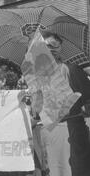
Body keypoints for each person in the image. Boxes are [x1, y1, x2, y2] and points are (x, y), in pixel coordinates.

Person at [42, 31, 90, 176]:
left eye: (53, 45)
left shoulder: (71, 70)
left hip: (71, 129)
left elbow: (88, 99)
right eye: (44, 46)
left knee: (75, 170)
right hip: (49, 131)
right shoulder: (36, 75)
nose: (49, 49)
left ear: (60, 48)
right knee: (55, 169)